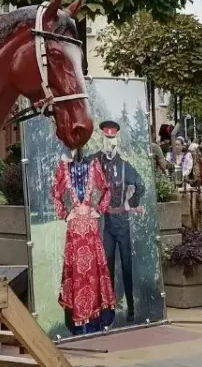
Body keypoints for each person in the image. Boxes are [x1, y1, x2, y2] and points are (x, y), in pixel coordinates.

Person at [52, 148, 116, 334]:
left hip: (90, 228)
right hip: (74, 231)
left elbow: (106, 189)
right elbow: (55, 193)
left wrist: (99, 209)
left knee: (93, 271)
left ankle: (96, 319)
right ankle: (78, 321)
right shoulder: (63, 169)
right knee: (77, 273)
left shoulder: (93, 166)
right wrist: (65, 214)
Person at [93, 121, 146, 318]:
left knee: (126, 264)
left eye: (113, 142)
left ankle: (130, 307)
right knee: (106, 265)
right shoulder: (95, 163)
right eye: (107, 141)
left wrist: (129, 204)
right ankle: (108, 307)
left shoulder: (125, 166)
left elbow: (141, 186)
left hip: (122, 221)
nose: (110, 146)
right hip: (105, 221)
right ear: (102, 140)